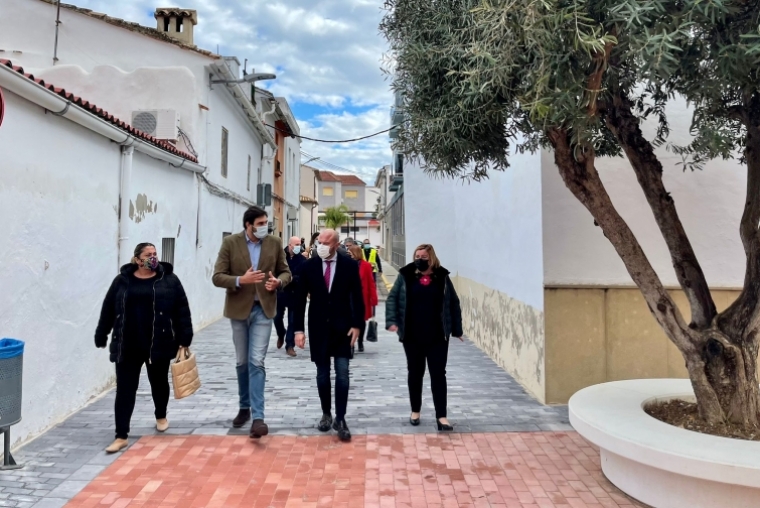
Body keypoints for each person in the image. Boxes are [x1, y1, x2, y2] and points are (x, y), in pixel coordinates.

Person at [95, 243, 193, 453]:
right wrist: (102, 332)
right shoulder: (122, 280)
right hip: (127, 344)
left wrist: (185, 338)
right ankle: (121, 435)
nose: (153, 257)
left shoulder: (169, 280)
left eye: (155, 254)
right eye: (148, 255)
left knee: (158, 383)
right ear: (138, 259)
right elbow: (108, 307)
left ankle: (161, 414)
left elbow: (181, 309)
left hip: (158, 342)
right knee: (125, 390)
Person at [212, 206, 292, 438]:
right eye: (260, 223)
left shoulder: (274, 243)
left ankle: (258, 417)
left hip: (263, 310)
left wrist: (278, 282)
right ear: (248, 225)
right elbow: (217, 276)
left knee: (257, 361)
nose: (264, 226)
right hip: (239, 309)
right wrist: (241, 279)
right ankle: (244, 407)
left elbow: (286, 272)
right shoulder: (231, 243)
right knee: (242, 362)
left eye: (266, 222)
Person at [293, 229, 364, 442]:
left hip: (343, 328)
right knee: (323, 374)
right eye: (318, 242)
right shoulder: (309, 266)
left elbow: (357, 297)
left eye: (325, 242)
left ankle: (340, 418)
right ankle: (326, 413)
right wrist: (298, 330)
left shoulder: (349, 266)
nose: (320, 245)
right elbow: (298, 301)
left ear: (336, 244)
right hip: (319, 328)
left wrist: (358, 325)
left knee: (342, 374)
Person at [385, 244, 463, 431]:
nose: (419, 259)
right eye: (417, 256)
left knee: (438, 375)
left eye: (423, 256)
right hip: (412, 335)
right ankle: (415, 411)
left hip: (437, 335)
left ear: (432, 258)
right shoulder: (406, 275)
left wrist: (457, 330)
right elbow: (393, 298)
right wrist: (392, 321)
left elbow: (453, 302)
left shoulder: (442, 277)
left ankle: (442, 416)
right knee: (415, 373)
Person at [275, 236, 308, 357]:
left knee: (293, 321)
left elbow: (304, 277)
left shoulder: (302, 260)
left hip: (296, 293)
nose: (299, 246)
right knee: (277, 317)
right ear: (290, 245)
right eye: (296, 244)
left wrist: (294, 279)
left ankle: (289, 345)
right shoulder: (280, 257)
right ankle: (280, 333)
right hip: (281, 292)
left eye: (300, 244)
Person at [347, 245, 378, 353]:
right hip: (348, 297)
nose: (348, 255)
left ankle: (360, 341)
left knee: (361, 321)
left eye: (350, 253)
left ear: (356, 253)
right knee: (350, 320)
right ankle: (351, 343)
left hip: (362, 297)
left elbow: (371, 283)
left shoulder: (366, 265)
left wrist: (374, 298)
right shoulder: (346, 264)